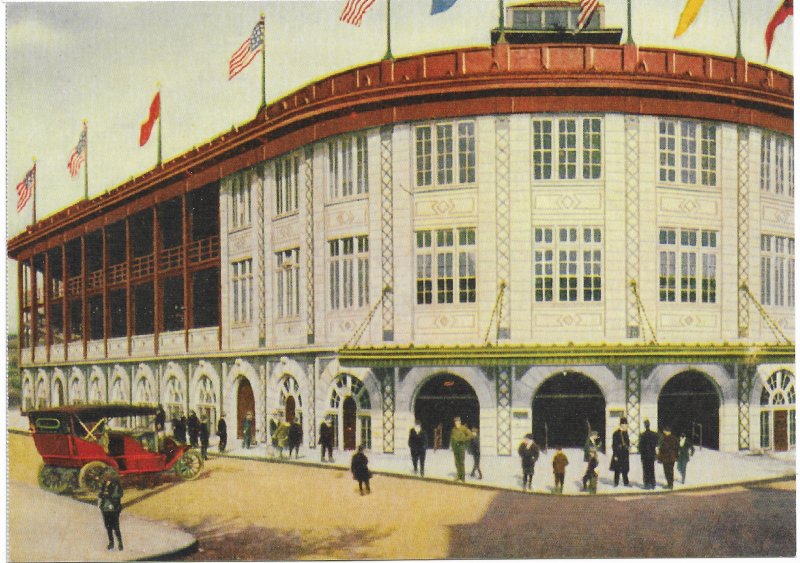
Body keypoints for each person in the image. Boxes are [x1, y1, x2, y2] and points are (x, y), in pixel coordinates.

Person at [98, 474, 124, 551]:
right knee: (108, 527)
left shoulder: (116, 485)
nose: (104, 479)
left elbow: (117, 495)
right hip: (105, 509)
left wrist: (106, 495)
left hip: (113, 509)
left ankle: (120, 544)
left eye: (105, 477)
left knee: (116, 527)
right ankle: (111, 543)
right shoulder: (103, 485)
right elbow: (100, 495)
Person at [449, 417, 474, 482]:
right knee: (456, 462)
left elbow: (470, 435)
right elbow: (452, 438)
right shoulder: (453, 429)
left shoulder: (463, 428)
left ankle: (463, 477)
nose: (457, 423)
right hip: (455, 447)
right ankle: (458, 475)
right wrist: (451, 446)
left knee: (461, 462)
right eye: (455, 422)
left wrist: (464, 439)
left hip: (461, 447)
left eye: (458, 421)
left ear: (460, 422)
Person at [611, 417, 631, 486]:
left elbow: (627, 443)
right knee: (617, 469)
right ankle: (616, 483)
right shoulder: (616, 433)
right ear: (621, 425)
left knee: (625, 469)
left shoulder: (626, 433)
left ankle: (626, 483)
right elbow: (614, 445)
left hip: (625, 454)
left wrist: (628, 447)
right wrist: (615, 455)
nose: (626, 426)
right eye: (625, 425)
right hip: (618, 454)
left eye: (626, 424)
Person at [639, 419, 658, 490]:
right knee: (652, 469)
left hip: (645, 455)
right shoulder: (654, 434)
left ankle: (647, 484)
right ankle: (653, 484)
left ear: (644, 426)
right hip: (652, 455)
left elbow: (640, 447)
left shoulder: (642, 435)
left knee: (646, 470)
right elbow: (656, 443)